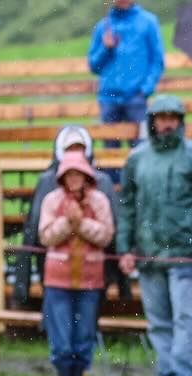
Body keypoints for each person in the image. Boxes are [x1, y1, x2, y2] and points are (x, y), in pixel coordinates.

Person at [116, 95, 192, 376]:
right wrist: (125, 247)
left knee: (184, 320)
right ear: (152, 121)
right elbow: (128, 206)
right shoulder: (137, 159)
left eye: (173, 117)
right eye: (161, 117)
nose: (167, 123)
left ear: (181, 120)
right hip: (147, 254)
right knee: (158, 321)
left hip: (185, 253)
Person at [13, 125, 124, 305]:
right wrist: (21, 286)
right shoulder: (47, 182)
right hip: (55, 269)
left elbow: (112, 230)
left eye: (79, 149)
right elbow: (34, 231)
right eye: (69, 149)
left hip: (93, 269)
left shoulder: (103, 182)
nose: (74, 155)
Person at [37, 151, 114, 376]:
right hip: (57, 278)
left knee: (84, 335)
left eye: (77, 174)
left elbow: (106, 235)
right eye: (69, 174)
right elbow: (46, 236)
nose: (73, 179)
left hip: (90, 278)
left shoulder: (100, 201)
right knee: (61, 336)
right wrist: (67, 223)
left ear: (86, 176)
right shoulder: (51, 200)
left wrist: (81, 224)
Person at [87, 0, 165, 147]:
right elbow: (94, 65)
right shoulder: (103, 26)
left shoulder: (148, 22)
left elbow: (157, 60)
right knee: (110, 151)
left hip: (136, 97)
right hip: (108, 97)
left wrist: (145, 89)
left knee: (141, 149)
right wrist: (105, 48)